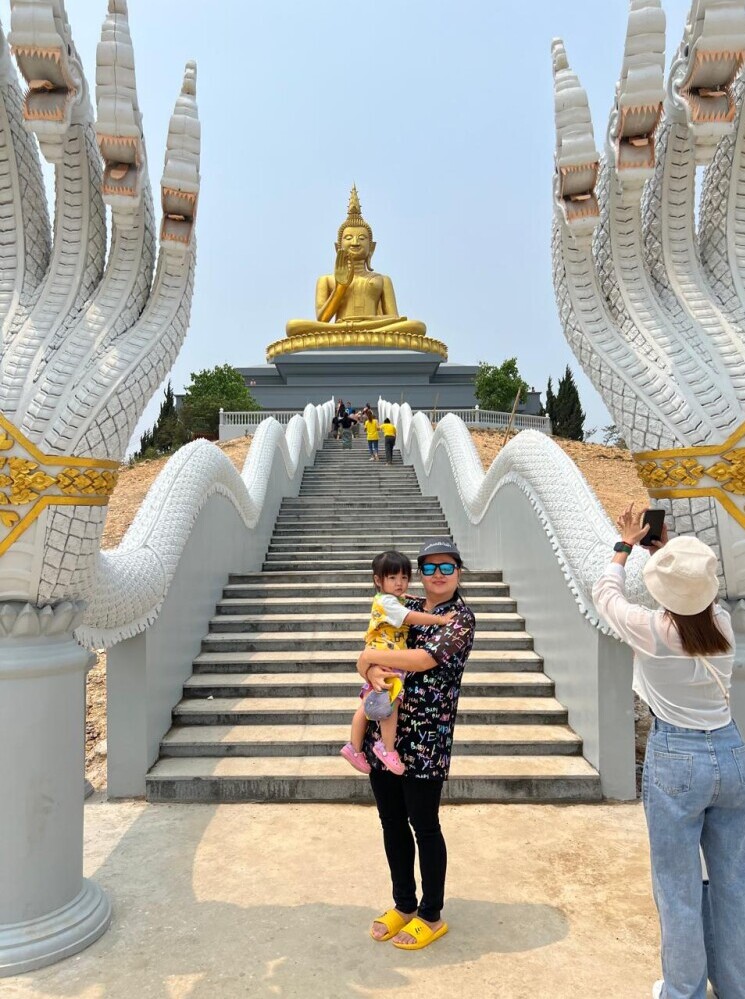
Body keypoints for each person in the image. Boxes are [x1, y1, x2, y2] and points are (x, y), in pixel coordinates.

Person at [592, 505, 744, 999]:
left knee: (677, 889)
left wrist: (626, 547)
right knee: (732, 882)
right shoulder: (721, 624)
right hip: (730, 750)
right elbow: (694, 597)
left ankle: (684, 990)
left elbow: (605, 594)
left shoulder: (652, 630)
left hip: (676, 757)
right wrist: (668, 557)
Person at [357, 538, 475, 951]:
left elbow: (423, 660)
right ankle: (403, 904)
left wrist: (368, 657)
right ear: (418, 575)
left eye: (447, 568)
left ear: (459, 572)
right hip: (387, 736)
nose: (438, 576)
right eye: (429, 568)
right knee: (391, 822)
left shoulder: (459, 618)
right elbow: (374, 653)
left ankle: (431, 914)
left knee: (424, 826)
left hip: (427, 737)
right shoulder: (402, 609)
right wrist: (366, 664)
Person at [340, 551, 454, 776]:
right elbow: (409, 617)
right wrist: (439, 619)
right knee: (390, 704)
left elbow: (402, 603)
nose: (399, 583)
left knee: (367, 703)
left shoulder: (389, 599)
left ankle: (354, 747)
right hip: (387, 657)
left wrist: (410, 598)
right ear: (378, 581)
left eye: (403, 577)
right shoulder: (389, 603)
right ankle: (386, 748)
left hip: (381, 655)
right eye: (392, 578)